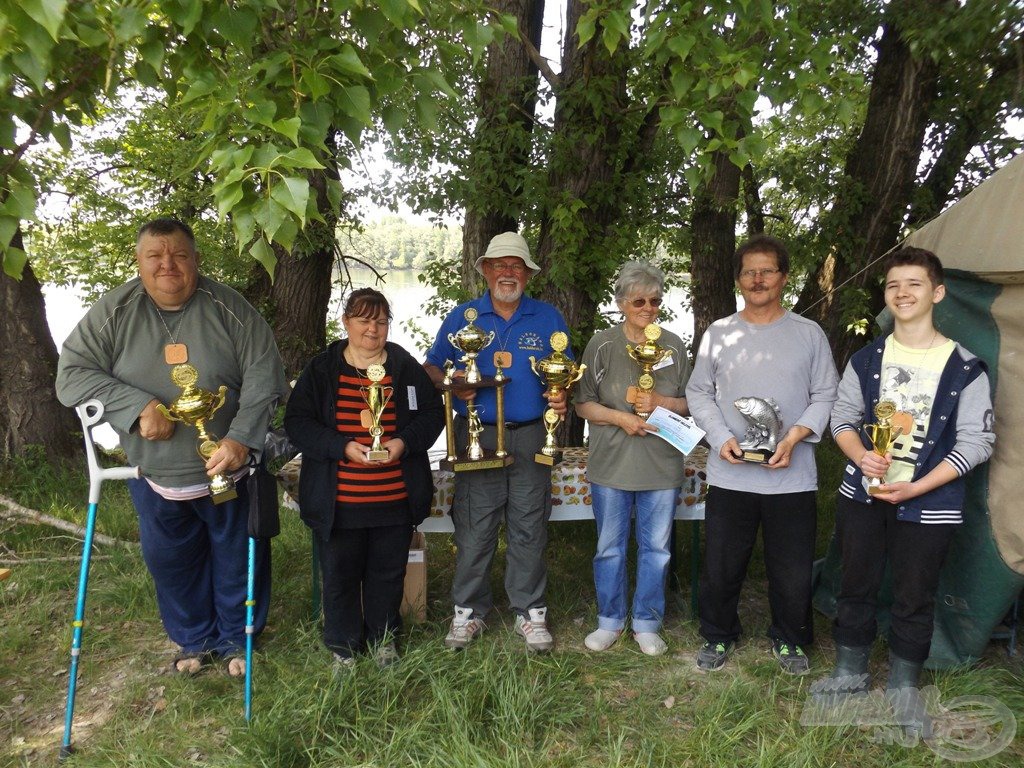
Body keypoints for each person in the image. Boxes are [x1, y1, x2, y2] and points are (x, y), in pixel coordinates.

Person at [56, 217, 289, 677]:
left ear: (196, 261)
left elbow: (265, 373)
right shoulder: (114, 311)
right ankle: (194, 639)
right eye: (155, 256)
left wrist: (242, 438)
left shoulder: (230, 308)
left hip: (229, 467)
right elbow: (71, 375)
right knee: (172, 561)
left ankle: (237, 639)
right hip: (155, 472)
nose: (168, 265)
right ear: (139, 263)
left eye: (180, 255)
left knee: (237, 555)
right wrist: (135, 405)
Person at [823, 248, 994, 725]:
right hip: (864, 495)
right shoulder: (866, 359)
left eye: (914, 284)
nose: (902, 292)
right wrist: (862, 457)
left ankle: (903, 685)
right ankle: (848, 672)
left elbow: (978, 442)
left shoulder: (964, 366)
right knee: (855, 584)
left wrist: (918, 487)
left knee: (914, 594)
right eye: (894, 284)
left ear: (936, 293)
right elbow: (842, 420)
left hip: (930, 502)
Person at [685, 234, 838, 675]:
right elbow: (698, 392)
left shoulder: (808, 334)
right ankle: (717, 635)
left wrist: (793, 438)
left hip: (792, 476)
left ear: (784, 278)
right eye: (749, 271)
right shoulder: (719, 333)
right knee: (721, 565)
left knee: (791, 569)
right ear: (738, 279)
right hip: (732, 473)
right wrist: (718, 437)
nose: (758, 279)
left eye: (767, 270)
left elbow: (826, 393)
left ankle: (790, 639)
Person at [424, 231, 569, 652]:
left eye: (517, 265)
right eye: (500, 264)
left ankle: (530, 612)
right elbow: (432, 368)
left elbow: (566, 370)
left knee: (529, 525)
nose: (508, 272)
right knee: (475, 525)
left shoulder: (548, 318)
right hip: (478, 437)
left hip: (531, 435)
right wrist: (451, 382)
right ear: (485, 270)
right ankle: (468, 612)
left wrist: (561, 394)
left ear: (528, 273)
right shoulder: (463, 316)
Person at [284, 289, 444, 668]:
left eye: (381, 321)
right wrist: (342, 447)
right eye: (364, 320)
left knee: (388, 574)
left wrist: (403, 443)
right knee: (340, 575)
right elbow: (297, 423)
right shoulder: (323, 369)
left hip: (394, 500)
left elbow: (432, 416)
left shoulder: (404, 367)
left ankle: (384, 640)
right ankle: (343, 647)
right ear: (346, 322)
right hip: (340, 503)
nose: (373, 329)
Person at [574, 262, 691, 656]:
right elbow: (582, 404)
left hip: (662, 463)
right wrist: (620, 417)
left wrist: (660, 402)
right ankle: (609, 620)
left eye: (655, 300)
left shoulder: (673, 344)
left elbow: (692, 403)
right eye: (639, 300)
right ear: (622, 302)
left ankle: (646, 622)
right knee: (609, 546)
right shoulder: (602, 344)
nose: (648, 307)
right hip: (611, 463)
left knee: (657, 549)